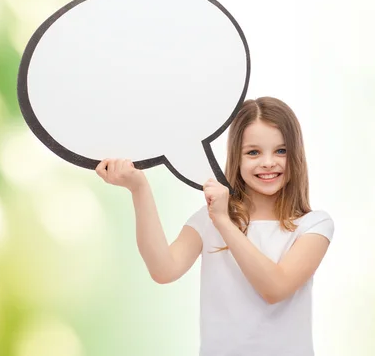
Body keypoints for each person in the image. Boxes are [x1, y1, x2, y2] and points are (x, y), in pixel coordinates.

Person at [95, 97, 334, 356]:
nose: (268, 162)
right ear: (236, 157)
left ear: (296, 155)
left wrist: (223, 220)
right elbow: (163, 269)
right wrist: (139, 188)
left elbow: (275, 288)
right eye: (253, 152)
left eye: (281, 151)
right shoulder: (207, 218)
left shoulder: (313, 225)